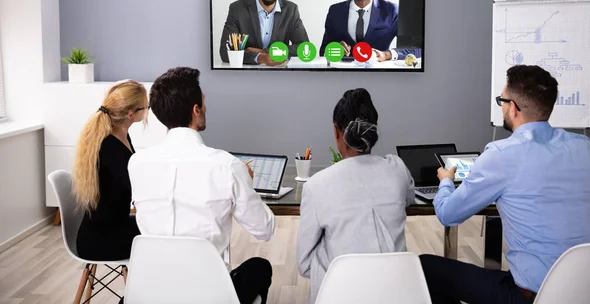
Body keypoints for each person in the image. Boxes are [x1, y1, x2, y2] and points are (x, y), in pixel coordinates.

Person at [420, 65, 590, 304]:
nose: (502, 106)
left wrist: (445, 182)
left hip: (531, 297)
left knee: (426, 267)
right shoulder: (585, 147)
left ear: (513, 108)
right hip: (587, 291)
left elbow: (447, 214)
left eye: (502, 101)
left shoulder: (502, 153)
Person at [128, 67, 274, 304]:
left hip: (149, 292)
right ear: (196, 111)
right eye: (203, 103)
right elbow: (264, 230)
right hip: (210, 295)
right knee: (260, 267)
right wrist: (245, 182)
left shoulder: (137, 163)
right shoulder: (227, 166)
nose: (206, 108)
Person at [297, 88, 415, 303]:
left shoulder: (316, 185)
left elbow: (305, 265)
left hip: (338, 295)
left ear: (336, 131)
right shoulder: (398, 170)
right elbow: (409, 199)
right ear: (375, 130)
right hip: (395, 293)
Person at [72, 80, 148, 261]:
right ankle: (146, 288)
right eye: (146, 107)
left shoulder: (121, 135)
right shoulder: (109, 146)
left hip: (111, 227)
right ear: (131, 113)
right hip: (100, 241)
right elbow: (135, 186)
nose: (147, 110)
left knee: (158, 233)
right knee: (160, 239)